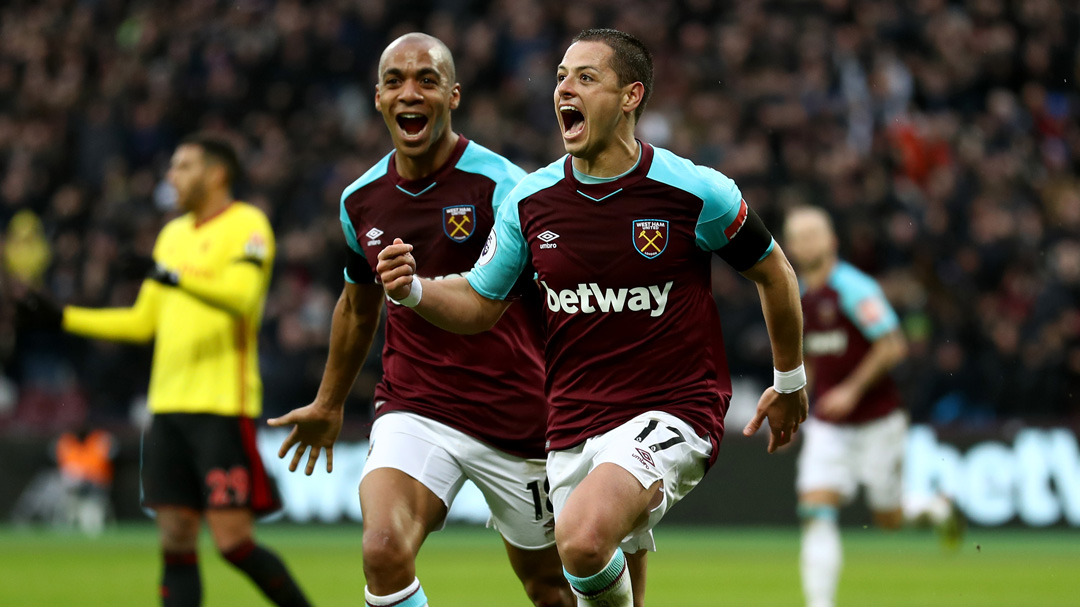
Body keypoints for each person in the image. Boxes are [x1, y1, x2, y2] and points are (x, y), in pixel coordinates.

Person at [373, 28, 808, 607]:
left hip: (674, 409)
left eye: (585, 77)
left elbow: (774, 274)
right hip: (572, 423)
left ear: (630, 96)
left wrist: (790, 380)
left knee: (579, 541)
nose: (564, 90)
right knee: (597, 574)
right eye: (560, 78)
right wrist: (415, 293)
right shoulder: (531, 201)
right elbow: (480, 304)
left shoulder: (695, 191)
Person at [268, 33, 572, 607]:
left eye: (426, 80)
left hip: (520, 416)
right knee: (382, 549)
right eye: (395, 81)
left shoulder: (504, 188)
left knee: (551, 589)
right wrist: (330, 402)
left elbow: (557, 299)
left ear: (453, 95)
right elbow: (357, 305)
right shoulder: (361, 200)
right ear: (379, 98)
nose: (410, 92)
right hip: (417, 406)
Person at [17, 134, 311, 607]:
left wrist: (172, 276)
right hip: (167, 409)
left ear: (216, 173)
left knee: (233, 542)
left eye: (183, 166)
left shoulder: (247, 224)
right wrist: (63, 317)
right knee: (175, 539)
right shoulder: (172, 235)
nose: (172, 176)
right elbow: (141, 321)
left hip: (220, 406)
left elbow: (242, 297)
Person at [783, 206, 962, 607]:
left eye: (815, 233)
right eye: (799, 235)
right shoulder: (801, 299)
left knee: (889, 520)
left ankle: (935, 508)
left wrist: (851, 389)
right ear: (791, 247)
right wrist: (796, 406)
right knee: (816, 508)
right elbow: (810, 362)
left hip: (879, 420)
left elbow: (894, 345)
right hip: (830, 426)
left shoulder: (853, 288)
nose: (807, 241)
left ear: (832, 242)